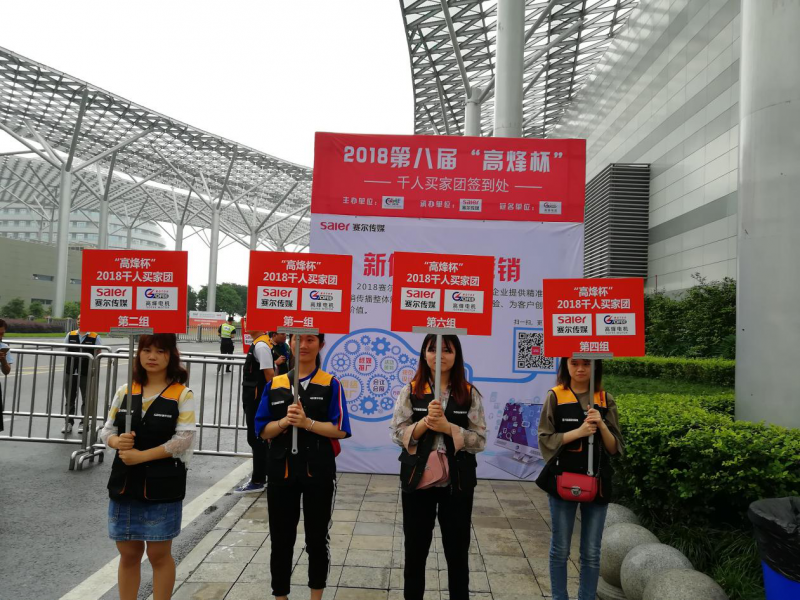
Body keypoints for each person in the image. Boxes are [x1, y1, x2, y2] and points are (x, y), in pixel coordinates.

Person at [390, 334, 487, 600]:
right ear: (424, 354)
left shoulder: (468, 393)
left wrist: (449, 428)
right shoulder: (411, 391)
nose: (439, 355)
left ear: (456, 355)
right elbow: (396, 434)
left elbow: (480, 440)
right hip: (418, 481)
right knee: (415, 552)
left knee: (457, 554)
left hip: (457, 484)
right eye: (433, 349)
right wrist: (424, 424)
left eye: (447, 350)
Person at [99, 334, 196, 600]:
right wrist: (115, 441)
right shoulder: (125, 390)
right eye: (146, 350)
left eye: (160, 351)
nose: (152, 356)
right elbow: (106, 430)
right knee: (129, 554)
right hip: (124, 485)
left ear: (171, 356)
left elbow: (184, 439)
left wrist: (142, 456)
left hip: (162, 487)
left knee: (158, 554)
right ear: (139, 353)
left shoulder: (182, 394)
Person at [255, 333, 351, 600]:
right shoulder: (275, 384)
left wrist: (307, 423)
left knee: (317, 539)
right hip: (280, 471)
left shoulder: (331, 384)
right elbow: (262, 430)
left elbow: (340, 429)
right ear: (290, 343)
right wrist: (284, 422)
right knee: (281, 539)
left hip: (318, 471)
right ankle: (280, 596)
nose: (304, 345)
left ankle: (315, 596)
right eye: (298, 339)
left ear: (321, 345)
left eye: (311, 339)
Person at [536, 358, 623, 600]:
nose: (581, 369)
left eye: (587, 363)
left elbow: (614, 448)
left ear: (596, 366)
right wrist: (579, 432)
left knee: (592, 553)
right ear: (566, 366)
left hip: (597, 484)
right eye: (574, 363)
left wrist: (601, 425)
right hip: (563, 481)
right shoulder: (556, 396)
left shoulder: (604, 399)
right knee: (560, 549)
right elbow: (545, 438)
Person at [234, 327, 274, 494]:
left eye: (251, 321)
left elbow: (269, 374)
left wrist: (272, 399)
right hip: (253, 398)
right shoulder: (258, 343)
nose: (247, 324)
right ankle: (265, 476)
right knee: (257, 439)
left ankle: (258, 480)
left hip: (257, 400)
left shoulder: (261, 346)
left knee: (256, 438)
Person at [63, 314, 102, 434]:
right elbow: (65, 350)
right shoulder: (70, 335)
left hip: (86, 372)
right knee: (69, 398)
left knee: (86, 399)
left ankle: (83, 423)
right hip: (70, 372)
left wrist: (94, 368)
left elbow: (98, 353)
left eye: (83, 319)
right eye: (78, 319)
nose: (80, 321)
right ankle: (68, 423)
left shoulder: (95, 336)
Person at [0, 318, 13, 433]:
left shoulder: (3, 347)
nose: (1, 337)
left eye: (2, 333)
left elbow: (6, 371)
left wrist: (3, 360)